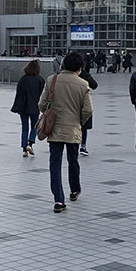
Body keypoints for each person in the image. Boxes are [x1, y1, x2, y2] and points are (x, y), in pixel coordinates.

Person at [39, 52, 93, 212]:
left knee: (55, 164)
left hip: (54, 129)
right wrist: (79, 121)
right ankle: (75, 190)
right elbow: (88, 109)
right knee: (73, 160)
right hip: (73, 128)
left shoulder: (52, 80)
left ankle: (59, 200)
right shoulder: (83, 84)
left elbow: (42, 105)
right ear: (79, 68)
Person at [11, 59, 45, 156]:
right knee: (35, 126)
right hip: (35, 106)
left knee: (24, 128)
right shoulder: (40, 79)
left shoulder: (23, 79)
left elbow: (18, 93)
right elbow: (43, 95)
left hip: (23, 107)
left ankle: (24, 149)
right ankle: (30, 143)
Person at [78, 60, 98, 156]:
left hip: (71, 103)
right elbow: (95, 85)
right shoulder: (84, 75)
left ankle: (74, 144)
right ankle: (83, 146)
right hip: (84, 102)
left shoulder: (68, 76)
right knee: (84, 127)